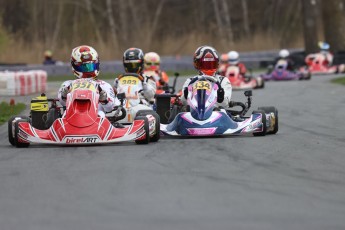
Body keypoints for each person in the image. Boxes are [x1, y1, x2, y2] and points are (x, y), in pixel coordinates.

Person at [58, 45, 117, 117]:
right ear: (74, 66)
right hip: (71, 118)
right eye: (83, 67)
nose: (88, 70)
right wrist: (64, 95)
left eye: (91, 66)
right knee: (64, 115)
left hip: (96, 119)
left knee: (101, 114)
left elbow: (109, 108)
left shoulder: (104, 85)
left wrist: (104, 99)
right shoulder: (67, 84)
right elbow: (62, 102)